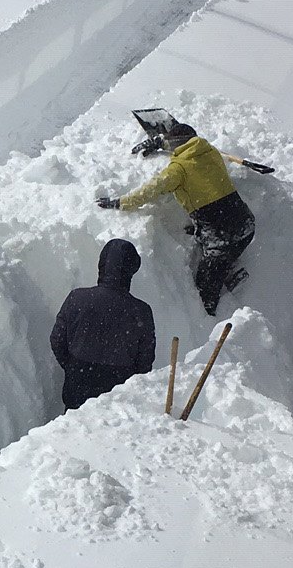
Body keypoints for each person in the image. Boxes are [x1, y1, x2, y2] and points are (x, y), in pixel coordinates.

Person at [96, 118, 254, 316]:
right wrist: (161, 143)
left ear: (176, 145)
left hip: (221, 232)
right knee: (219, 248)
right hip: (245, 224)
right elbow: (184, 144)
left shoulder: (178, 169)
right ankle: (228, 270)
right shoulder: (210, 151)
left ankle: (208, 317)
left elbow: (151, 189)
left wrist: (121, 202)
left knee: (205, 281)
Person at [50, 238, 156, 410]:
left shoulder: (77, 299)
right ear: (132, 270)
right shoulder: (141, 311)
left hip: (77, 391)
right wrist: (122, 378)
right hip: (118, 402)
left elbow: (57, 340)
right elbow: (145, 362)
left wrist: (73, 367)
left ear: (101, 265)